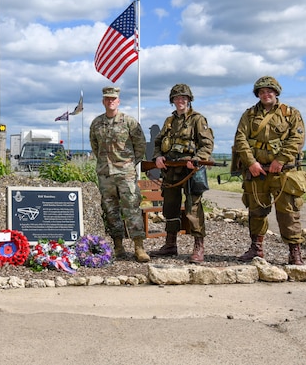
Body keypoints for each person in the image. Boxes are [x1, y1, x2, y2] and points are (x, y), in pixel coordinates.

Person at [234, 76, 306, 265]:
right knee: (256, 211)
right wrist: (251, 163)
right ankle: (256, 249)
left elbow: (296, 140)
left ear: (276, 92)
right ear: (257, 94)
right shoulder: (249, 115)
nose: (265, 94)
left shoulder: (291, 114)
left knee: (288, 212)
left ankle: (294, 252)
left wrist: (280, 160)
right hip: (257, 171)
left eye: (269, 91)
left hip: (284, 172)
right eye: (261, 92)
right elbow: (240, 139)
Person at [149, 84, 214, 263]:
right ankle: (170, 245)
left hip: (190, 171)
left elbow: (207, 144)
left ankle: (198, 246)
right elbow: (158, 142)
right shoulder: (169, 122)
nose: (180, 101)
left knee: (193, 207)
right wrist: (158, 157)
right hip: (170, 170)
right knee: (170, 206)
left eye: (184, 98)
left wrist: (197, 158)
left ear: (189, 100)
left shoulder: (198, 120)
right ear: (172, 101)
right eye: (177, 98)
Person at [89, 86, 150, 263]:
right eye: (107, 99)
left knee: (132, 208)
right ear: (103, 101)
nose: (110, 102)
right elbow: (95, 146)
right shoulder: (96, 123)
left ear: (118, 101)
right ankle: (118, 246)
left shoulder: (129, 122)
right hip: (105, 173)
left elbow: (140, 145)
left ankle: (139, 247)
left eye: (113, 99)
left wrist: (129, 164)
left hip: (126, 173)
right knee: (111, 210)